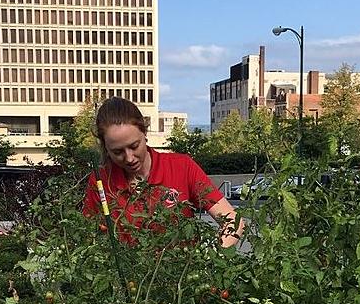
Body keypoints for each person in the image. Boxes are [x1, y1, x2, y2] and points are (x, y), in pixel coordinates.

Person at [83, 97, 243, 248]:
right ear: (105, 148)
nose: (129, 158)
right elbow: (88, 237)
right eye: (117, 152)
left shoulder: (181, 167)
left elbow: (233, 221)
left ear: (144, 132)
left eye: (134, 146)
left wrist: (213, 258)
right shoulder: (100, 181)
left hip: (182, 274)